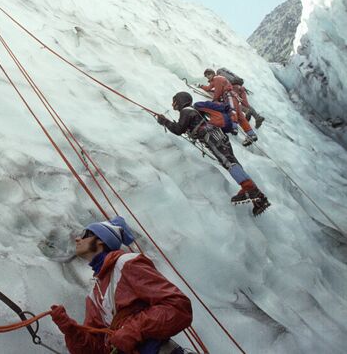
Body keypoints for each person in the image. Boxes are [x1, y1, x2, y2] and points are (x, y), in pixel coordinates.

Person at [50, 216, 193, 354]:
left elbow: (178, 306)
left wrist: (133, 330)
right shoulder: (94, 295)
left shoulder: (126, 263)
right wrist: (70, 330)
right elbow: (97, 350)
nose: (77, 238)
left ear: (100, 240)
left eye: (85, 234)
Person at [156, 92, 271, 215]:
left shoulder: (186, 111)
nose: (173, 104)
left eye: (174, 101)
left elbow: (179, 129)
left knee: (228, 163)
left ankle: (249, 188)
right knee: (232, 161)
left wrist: (164, 121)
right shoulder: (194, 110)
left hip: (210, 136)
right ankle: (258, 198)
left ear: (180, 101)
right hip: (218, 135)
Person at [200, 69, 258, 145]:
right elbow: (209, 88)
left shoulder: (217, 78)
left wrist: (214, 100)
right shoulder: (215, 80)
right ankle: (251, 134)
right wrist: (201, 86)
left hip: (229, 96)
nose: (207, 78)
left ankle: (234, 127)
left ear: (211, 74)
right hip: (234, 96)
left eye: (207, 75)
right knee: (240, 117)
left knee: (232, 110)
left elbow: (218, 91)